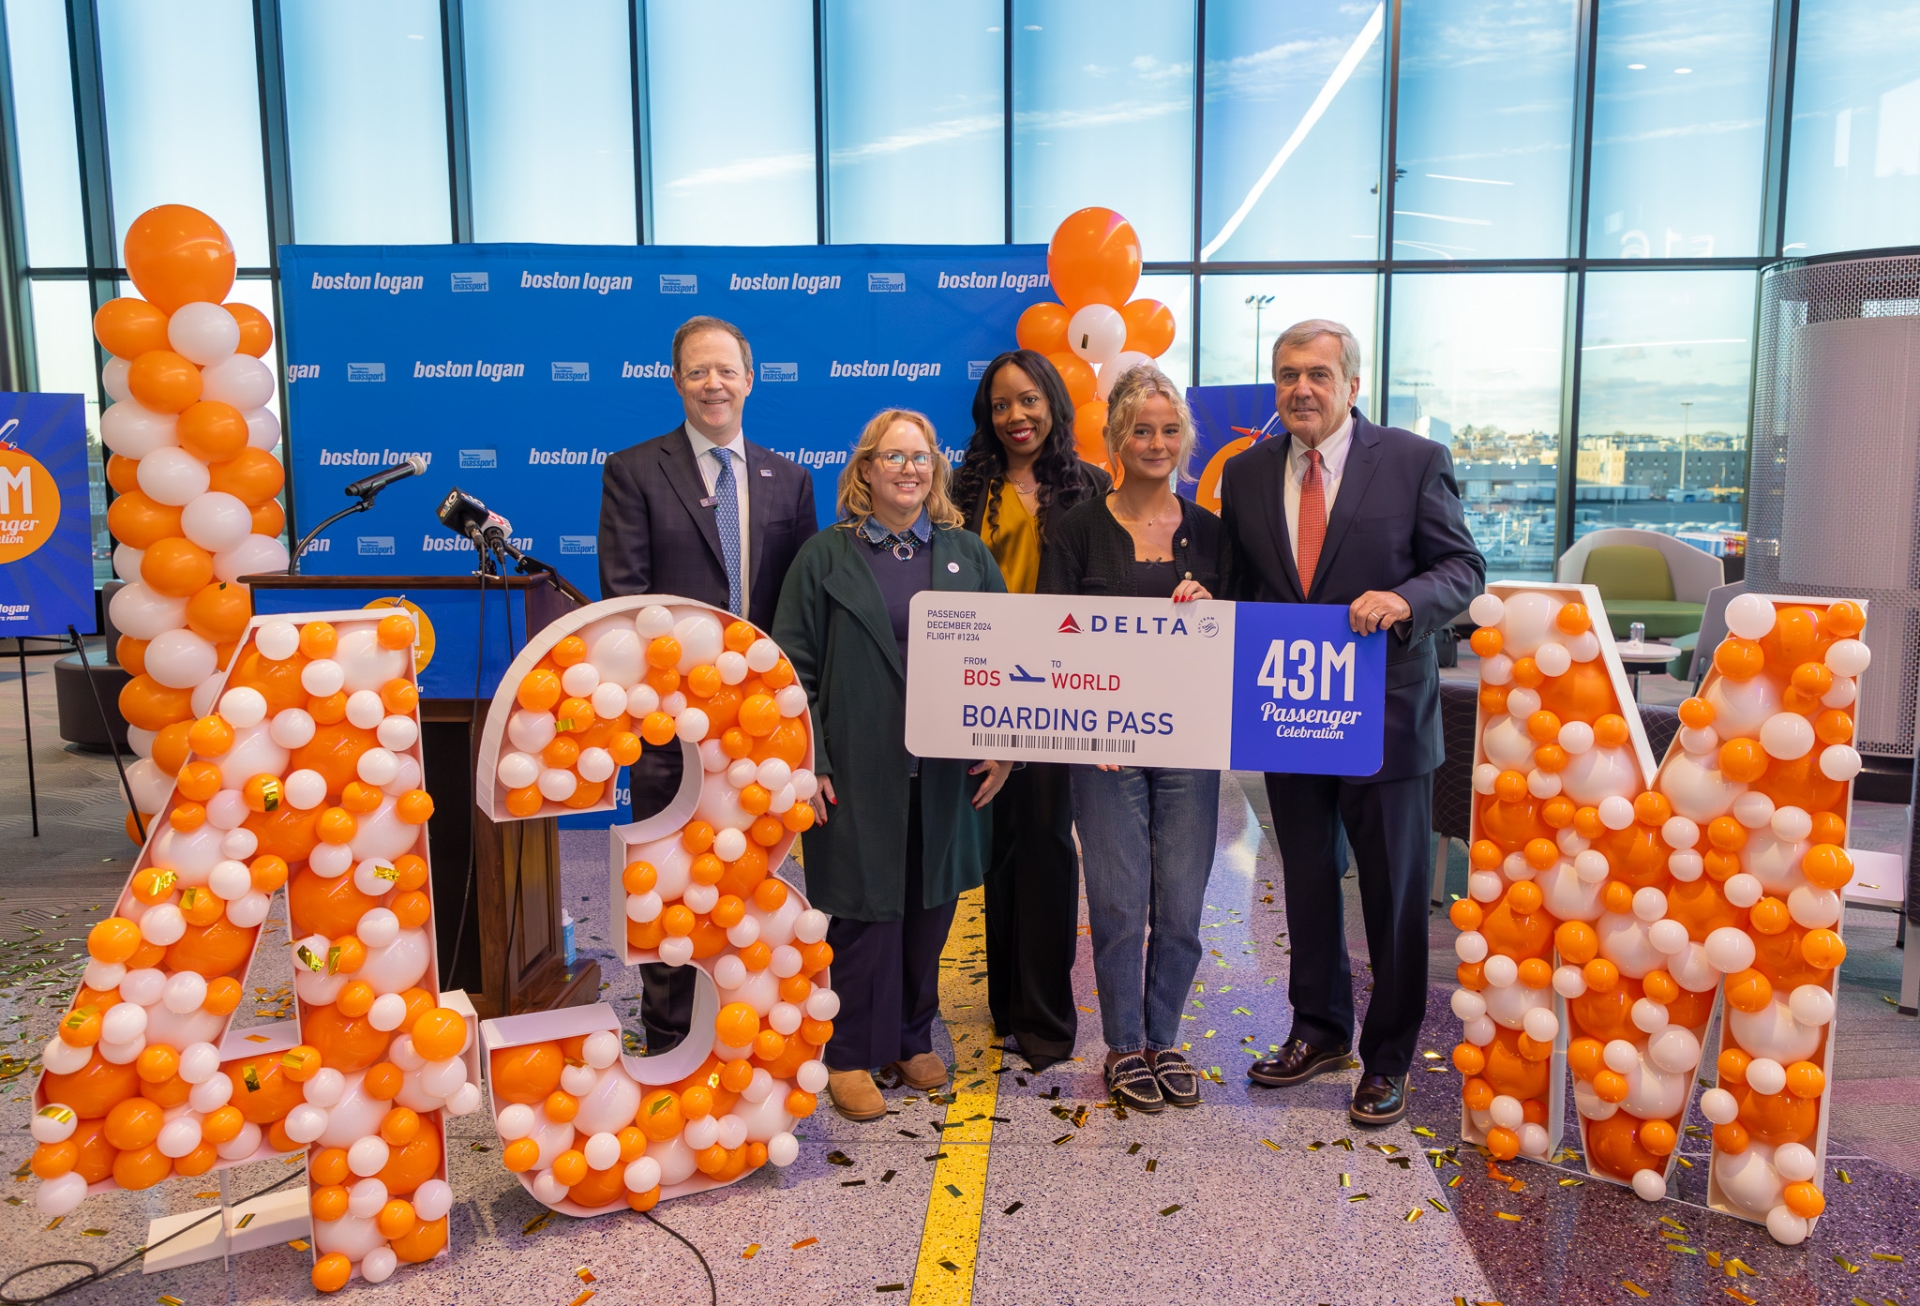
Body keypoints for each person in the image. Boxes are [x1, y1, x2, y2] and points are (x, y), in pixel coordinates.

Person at [1221, 319, 1484, 1126]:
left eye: (1319, 374)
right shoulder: (1247, 472)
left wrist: (1407, 601)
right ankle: (1321, 1029)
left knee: (1394, 895)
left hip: (1386, 718)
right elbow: (1244, 582)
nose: (1302, 388)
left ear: (1352, 385)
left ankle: (1389, 1057)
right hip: (1291, 714)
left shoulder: (1410, 461)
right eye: (1287, 373)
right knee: (1303, 881)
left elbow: (1463, 569)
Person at [772, 409, 1013, 1120]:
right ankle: (847, 1053)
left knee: (930, 911)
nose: (910, 468)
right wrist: (807, 758)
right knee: (862, 915)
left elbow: (1007, 661)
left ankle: (910, 1038)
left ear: (935, 469)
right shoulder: (825, 556)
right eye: (894, 456)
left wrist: (1004, 742)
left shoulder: (968, 554)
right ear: (866, 469)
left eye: (922, 456)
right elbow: (793, 669)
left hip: (945, 775)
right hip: (856, 767)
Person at [598, 315, 817, 1055]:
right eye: (697, 371)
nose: (713, 384)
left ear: (750, 379)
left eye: (725, 370)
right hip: (672, 727)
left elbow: (801, 607)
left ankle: (741, 1021)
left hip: (762, 731)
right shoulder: (633, 471)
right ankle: (667, 1034)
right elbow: (624, 599)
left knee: (750, 879)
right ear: (677, 382)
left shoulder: (790, 480)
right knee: (669, 878)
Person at [1039, 365, 1226, 1113]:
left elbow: (1236, 641)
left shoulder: (1212, 534)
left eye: (1169, 429)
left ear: (1184, 439)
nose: (1156, 442)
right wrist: (1087, 720)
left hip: (1190, 742)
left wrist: (1212, 606)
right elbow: (1051, 638)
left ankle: (1165, 1038)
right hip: (1103, 746)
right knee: (1118, 902)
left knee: (1181, 903)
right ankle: (1124, 1045)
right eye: (1141, 430)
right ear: (1116, 438)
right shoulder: (1077, 530)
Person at [950, 349, 1111, 1071]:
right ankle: (1003, 1007)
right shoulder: (958, 488)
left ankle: (1045, 1020)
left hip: (1058, 693)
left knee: (1046, 844)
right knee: (994, 849)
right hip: (975, 691)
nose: (1015, 416)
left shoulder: (1093, 488)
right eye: (1001, 405)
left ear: (1052, 402)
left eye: (1028, 401)